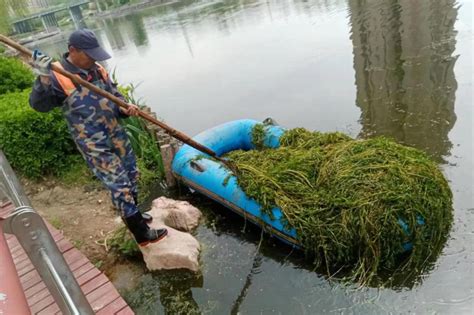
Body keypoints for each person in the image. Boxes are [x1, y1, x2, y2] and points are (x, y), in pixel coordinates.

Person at [29, 29, 167, 246]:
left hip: (116, 135)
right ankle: (141, 235)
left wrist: (125, 108)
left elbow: (115, 96)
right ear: (72, 50)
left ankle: (135, 216)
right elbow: (40, 106)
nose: (93, 59)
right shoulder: (58, 76)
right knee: (119, 185)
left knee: (131, 175)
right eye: (89, 54)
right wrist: (43, 77)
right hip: (95, 144)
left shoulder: (98, 70)